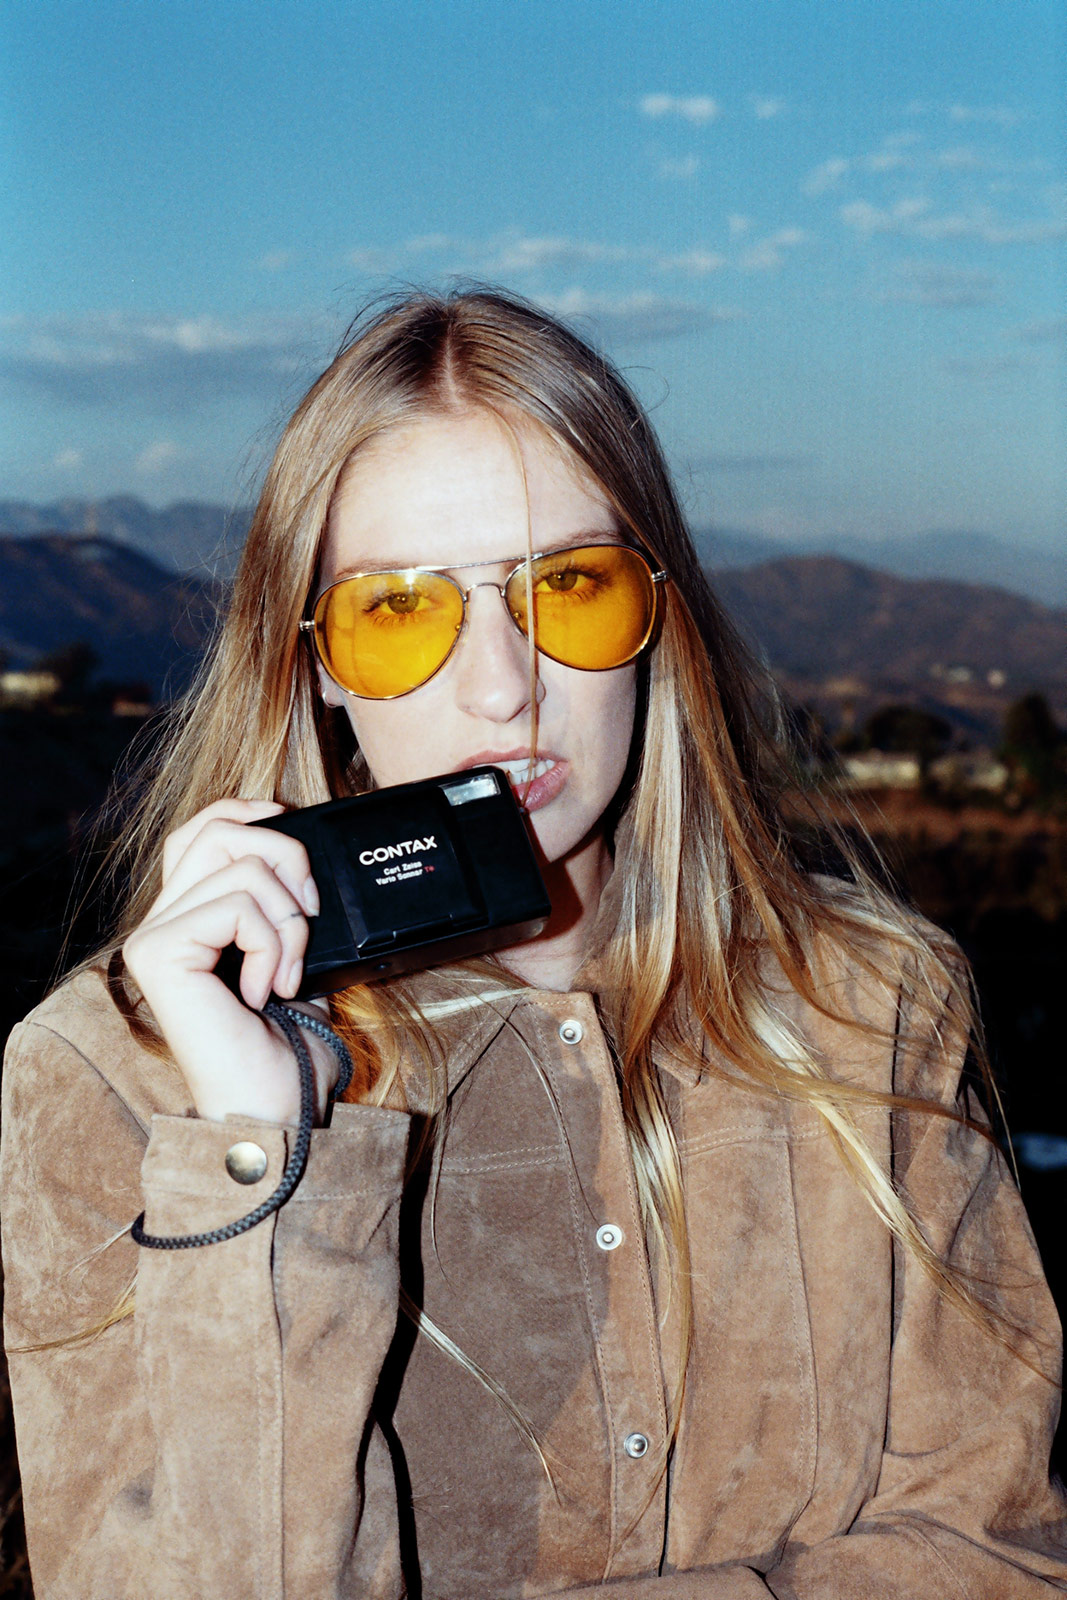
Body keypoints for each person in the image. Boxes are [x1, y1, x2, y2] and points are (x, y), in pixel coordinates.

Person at [2, 288, 1065, 1600]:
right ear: (314, 660)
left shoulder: (874, 1002)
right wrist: (253, 1165)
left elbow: (1004, 1555)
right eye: (400, 610)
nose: (505, 687)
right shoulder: (111, 1076)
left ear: (657, 617)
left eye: (570, 586)